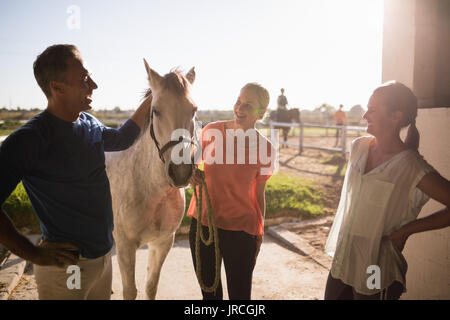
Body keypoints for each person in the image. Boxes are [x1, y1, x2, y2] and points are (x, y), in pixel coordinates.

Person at [0, 44, 152, 299]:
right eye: (84, 79)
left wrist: (154, 97)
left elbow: (123, 138)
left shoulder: (88, 123)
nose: (93, 85)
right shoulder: (29, 140)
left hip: (104, 258)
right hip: (67, 267)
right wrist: (32, 253)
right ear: (57, 88)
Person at [324, 81, 450, 300]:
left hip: (376, 268)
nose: (365, 116)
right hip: (343, 261)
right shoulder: (359, 147)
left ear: (396, 116)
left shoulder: (411, 166)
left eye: (372, 110)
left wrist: (407, 230)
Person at [187, 83, 276, 300]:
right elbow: (191, 166)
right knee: (210, 297)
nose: (240, 108)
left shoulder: (266, 148)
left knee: (240, 297)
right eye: (238, 101)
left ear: (261, 113)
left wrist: (259, 232)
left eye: (248, 105)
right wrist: (191, 175)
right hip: (204, 226)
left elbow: (259, 194)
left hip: (241, 232)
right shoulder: (211, 132)